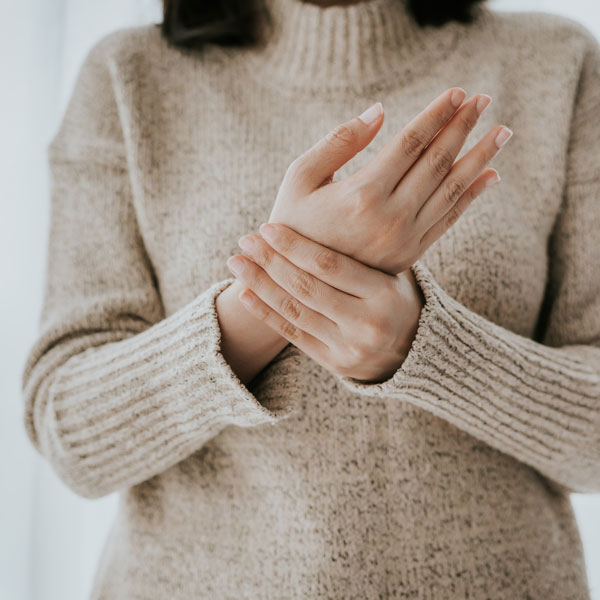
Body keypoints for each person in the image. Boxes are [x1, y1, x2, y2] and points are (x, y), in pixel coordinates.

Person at [22, 0, 600, 597]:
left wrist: (418, 346)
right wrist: (276, 295)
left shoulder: (557, 62)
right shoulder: (128, 75)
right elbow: (72, 439)